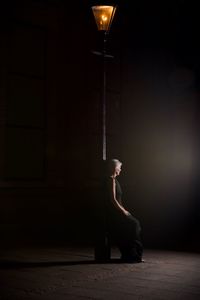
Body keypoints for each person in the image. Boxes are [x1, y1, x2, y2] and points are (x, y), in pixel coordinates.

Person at [103, 158, 143, 262]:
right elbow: (113, 199)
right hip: (115, 212)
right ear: (115, 168)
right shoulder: (111, 180)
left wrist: (124, 210)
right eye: (120, 168)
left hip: (118, 211)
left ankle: (132, 254)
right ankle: (133, 255)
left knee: (133, 226)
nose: (121, 169)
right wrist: (123, 211)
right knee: (135, 224)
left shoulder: (115, 180)